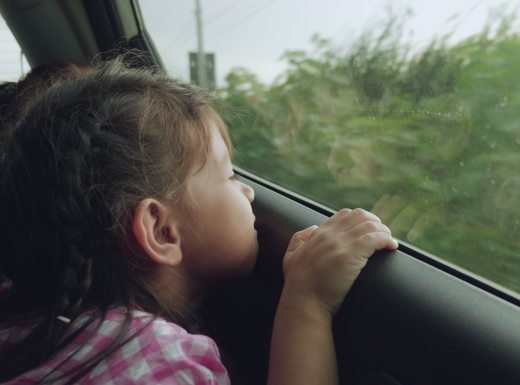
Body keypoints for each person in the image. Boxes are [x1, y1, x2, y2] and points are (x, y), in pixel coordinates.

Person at [0, 57, 398, 384]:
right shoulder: (160, 366)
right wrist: (306, 304)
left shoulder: (25, 326)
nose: (249, 192)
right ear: (161, 230)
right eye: (229, 176)